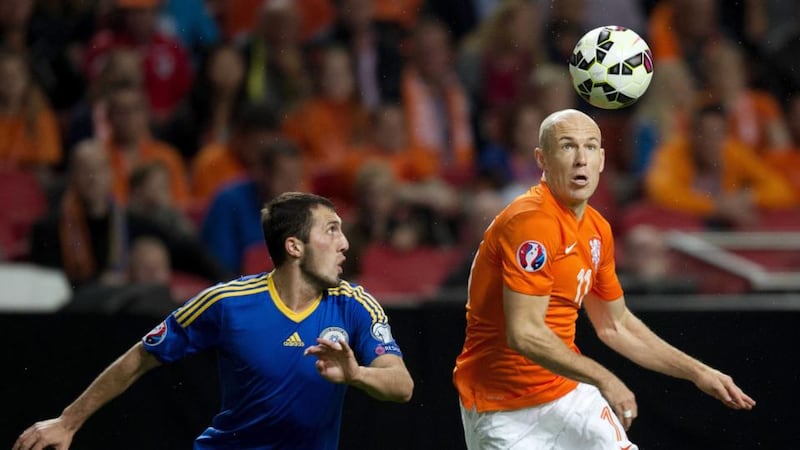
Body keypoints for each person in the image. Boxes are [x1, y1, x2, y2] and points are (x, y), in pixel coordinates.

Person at [14, 191, 414, 450]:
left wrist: (356, 374)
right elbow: (142, 356)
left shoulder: (354, 304)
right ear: (294, 246)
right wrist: (68, 422)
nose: (345, 243)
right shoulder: (227, 303)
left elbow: (402, 386)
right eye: (332, 230)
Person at [452, 109, 755, 449]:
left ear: (602, 160)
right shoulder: (530, 223)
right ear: (542, 159)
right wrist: (604, 378)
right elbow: (524, 333)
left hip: (567, 393)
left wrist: (698, 372)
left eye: (590, 147)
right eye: (567, 146)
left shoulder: (597, 229)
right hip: (503, 408)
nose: (581, 159)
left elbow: (615, 324)